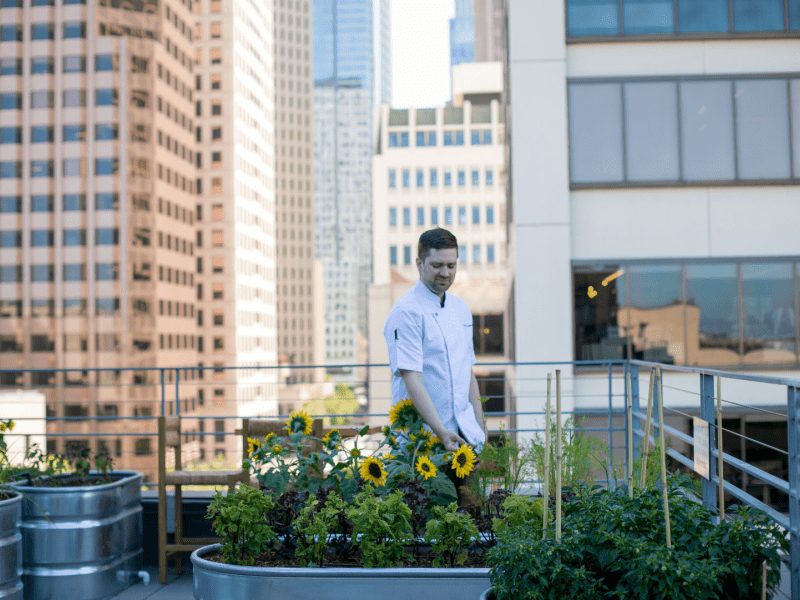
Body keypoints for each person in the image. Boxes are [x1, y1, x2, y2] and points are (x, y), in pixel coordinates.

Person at [383, 228, 486, 456]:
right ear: (419, 264)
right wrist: (440, 431)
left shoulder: (461, 309)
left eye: (451, 266)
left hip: (466, 437)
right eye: (437, 265)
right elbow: (412, 379)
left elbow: (467, 373)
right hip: (421, 441)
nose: (445, 273)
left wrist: (481, 430)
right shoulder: (406, 312)